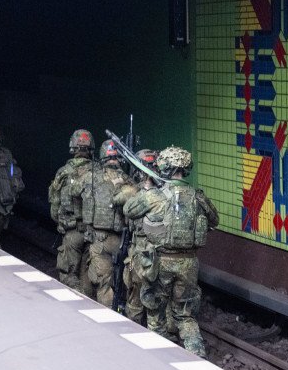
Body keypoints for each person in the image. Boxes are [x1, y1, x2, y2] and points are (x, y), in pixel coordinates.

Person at [123, 146, 218, 358]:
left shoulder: (154, 196)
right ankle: (197, 353)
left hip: (160, 263)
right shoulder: (198, 197)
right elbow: (214, 220)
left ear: (164, 168)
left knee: (156, 312)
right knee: (186, 314)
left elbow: (128, 210)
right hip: (189, 264)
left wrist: (147, 186)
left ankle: (163, 357)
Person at [70, 139, 136, 307]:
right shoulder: (127, 180)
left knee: (104, 283)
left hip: (99, 240)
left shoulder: (91, 177)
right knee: (124, 282)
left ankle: (107, 315)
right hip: (122, 241)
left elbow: (74, 191)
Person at [49, 129, 96, 295]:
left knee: (68, 275)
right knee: (87, 277)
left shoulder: (63, 172)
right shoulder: (98, 173)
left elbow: (54, 210)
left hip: (72, 232)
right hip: (94, 235)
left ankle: (75, 305)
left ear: (72, 147)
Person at [122, 148, 158, 325]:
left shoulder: (135, 193)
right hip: (160, 254)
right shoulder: (165, 194)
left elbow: (126, 210)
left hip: (140, 252)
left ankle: (134, 328)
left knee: (135, 293)